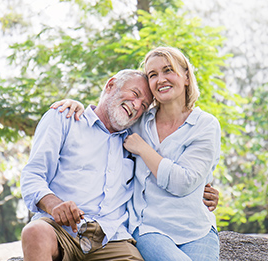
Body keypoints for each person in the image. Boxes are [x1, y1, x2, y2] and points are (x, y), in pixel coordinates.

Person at [52, 46, 221, 261]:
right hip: (149, 227)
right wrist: (77, 105)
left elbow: (184, 182)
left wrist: (143, 149)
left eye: (168, 70)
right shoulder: (137, 120)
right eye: (153, 75)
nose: (160, 79)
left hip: (197, 228)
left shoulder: (205, 125)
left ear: (186, 76)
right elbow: (105, 120)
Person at [20, 69, 153, 261]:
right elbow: (32, 175)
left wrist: (202, 189)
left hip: (111, 238)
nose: (136, 105)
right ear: (110, 85)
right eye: (135, 94)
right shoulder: (65, 119)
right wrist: (54, 205)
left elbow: (170, 166)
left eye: (144, 105)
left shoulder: (137, 142)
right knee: (34, 231)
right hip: (61, 230)